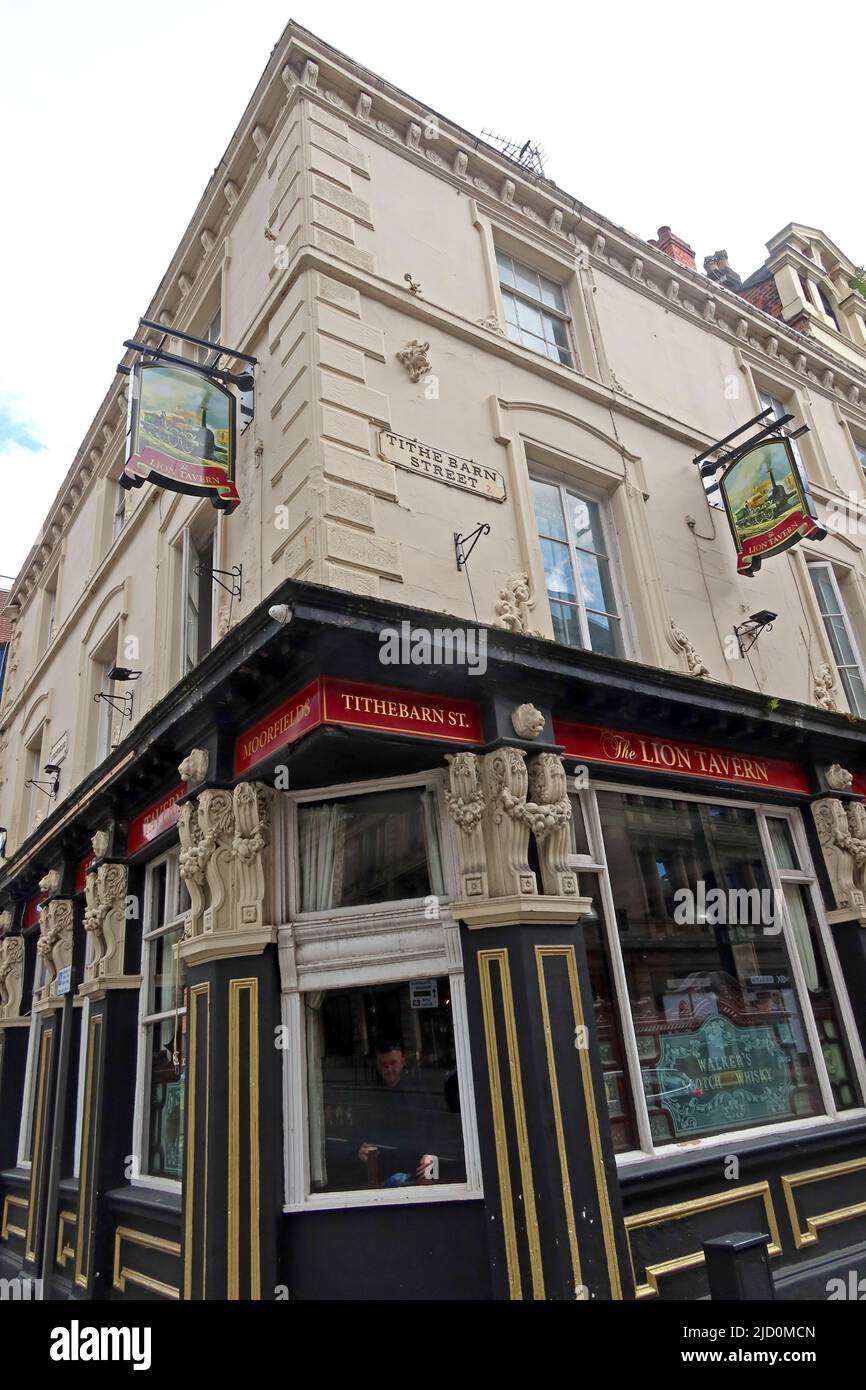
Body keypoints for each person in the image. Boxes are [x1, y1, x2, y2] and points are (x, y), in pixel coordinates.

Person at [357, 1040, 437, 1186]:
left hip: (420, 1172)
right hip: (382, 1176)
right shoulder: (367, 1095)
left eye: (393, 1063)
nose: (388, 1069)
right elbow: (354, 1135)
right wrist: (358, 1151)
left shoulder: (420, 1092)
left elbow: (439, 1131)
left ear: (403, 1061)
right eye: (383, 1064)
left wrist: (432, 1157)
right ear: (377, 1064)